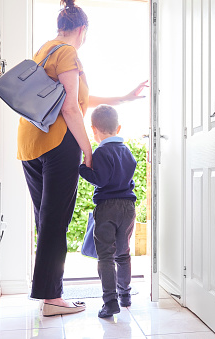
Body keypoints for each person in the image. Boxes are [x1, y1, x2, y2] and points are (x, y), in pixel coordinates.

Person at [18, 0, 147, 317]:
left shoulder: (45, 50)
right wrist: (89, 150)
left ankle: (49, 294)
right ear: (82, 30)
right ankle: (51, 298)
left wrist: (124, 97)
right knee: (55, 221)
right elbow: (71, 108)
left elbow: (74, 97)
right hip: (58, 143)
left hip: (30, 143)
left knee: (45, 220)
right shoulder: (69, 53)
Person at [78, 105, 137, 318]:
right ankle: (125, 295)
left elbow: (100, 180)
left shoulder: (101, 151)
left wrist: (83, 169)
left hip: (108, 207)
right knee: (123, 253)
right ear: (118, 127)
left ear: (93, 130)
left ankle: (110, 301)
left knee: (105, 256)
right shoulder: (127, 150)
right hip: (128, 207)